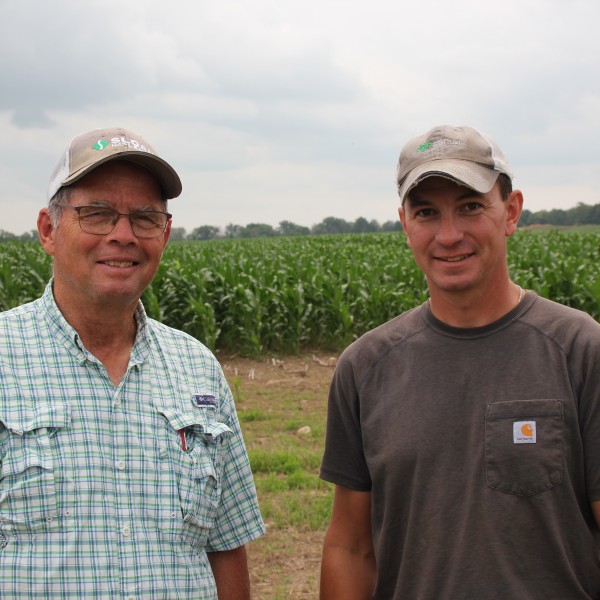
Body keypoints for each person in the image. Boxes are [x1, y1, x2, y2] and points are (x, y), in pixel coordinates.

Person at [319, 124, 600, 599]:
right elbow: (350, 547)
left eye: (470, 207)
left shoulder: (580, 350)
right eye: (427, 212)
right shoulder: (366, 367)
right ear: (406, 225)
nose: (449, 235)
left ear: (510, 212)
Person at [0, 127, 265, 599]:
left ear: (164, 233)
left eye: (145, 218)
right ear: (48, 231)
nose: (123, 236)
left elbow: (226, 546)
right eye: (97, 214)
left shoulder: (197, 368)